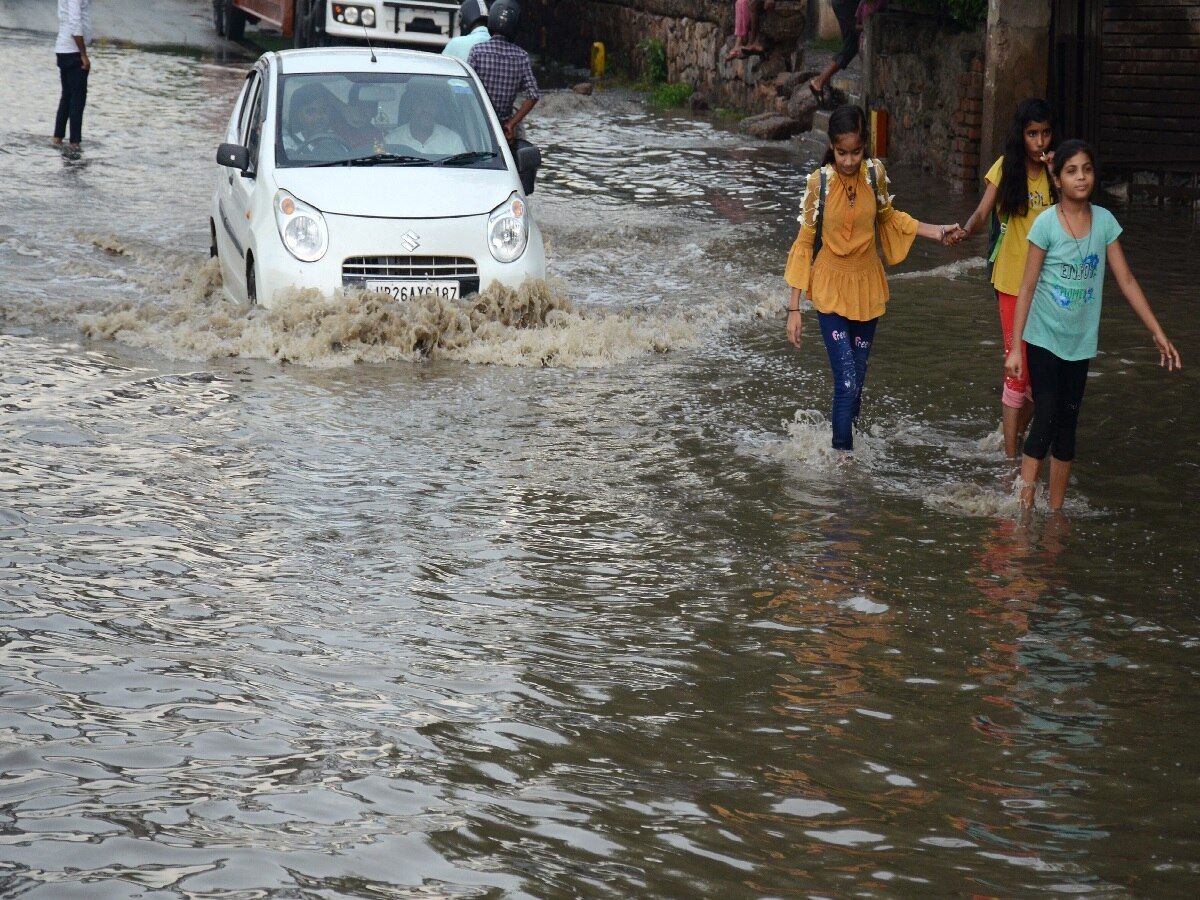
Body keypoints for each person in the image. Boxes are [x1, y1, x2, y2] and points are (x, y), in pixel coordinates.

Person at [1004, 139, 1181, 510]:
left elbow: (1127, 280)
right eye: (1071, 171)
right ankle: (1023, 506)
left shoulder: (1105, 222)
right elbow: (1027, 286)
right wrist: (1016, 348)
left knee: (1068, 426)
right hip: (1043, 337)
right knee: (1047, 415)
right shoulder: (1046, 224)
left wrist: (1157, 331)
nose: (1081, 177)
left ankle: (1054, 512)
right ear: (1057, 179)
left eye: (1087, 169)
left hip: (1080, 342)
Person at [784, 105, 960, 452]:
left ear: (865, 146)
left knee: (857, 384)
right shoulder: (818, 183)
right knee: (846, 381)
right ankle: (841, 460)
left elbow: (890, 217)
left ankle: (846, 452)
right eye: (841, 153)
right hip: (830, 289)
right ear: (831, 147)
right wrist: (794, 307)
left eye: (855, 152)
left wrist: (937, 232)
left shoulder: (874, 175)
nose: (848, 161)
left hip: (867, 288)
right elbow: (804, 241)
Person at [958, 98, 1056, 458]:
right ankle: (1010, 461)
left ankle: (1010, 437)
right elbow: (983, 212)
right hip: (1013, 283)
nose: (1040, 141)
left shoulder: (1056, 172)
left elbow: (1076, 213)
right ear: (1021, 135)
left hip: (1052, 286)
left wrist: (1058, 174)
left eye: (1045, 132)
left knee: (1047, 378)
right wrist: (966, 230)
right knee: (1017, 370)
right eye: (1032, 133)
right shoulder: (1005, 168)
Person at [467, 0, 539, 145]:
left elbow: (465, 89)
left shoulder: (477, 51)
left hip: (479, 126)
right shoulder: (521, 56)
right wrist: (512, 123)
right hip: (505, 129)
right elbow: (533, 95)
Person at [808, 0, 883, 107]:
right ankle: (820, 81)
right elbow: (861, 26)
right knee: (862, 36)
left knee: (851, 46)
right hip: (845, 3)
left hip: (841, 4)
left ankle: (819, 81)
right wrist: (870, 26)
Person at [53, 0, 93, 158]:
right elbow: (75, 22)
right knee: (78, 99)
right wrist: (83, 54)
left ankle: (57, 138)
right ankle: (74, 143)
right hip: (72, 50)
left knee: (67, 97)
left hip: (63, 48)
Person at [387, 80, 467, 156]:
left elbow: (464, 169)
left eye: (430, 104)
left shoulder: (452, 140)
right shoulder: (392, 141)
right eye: (420, 103)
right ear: (410, 107)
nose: (426, 109)